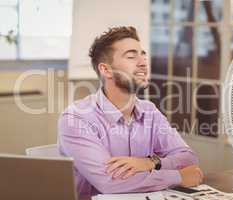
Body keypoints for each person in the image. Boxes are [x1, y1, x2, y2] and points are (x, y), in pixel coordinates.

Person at [58, 26, 203, 198]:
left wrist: (150, 163)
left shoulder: (149, 111)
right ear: (106, 70)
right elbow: (110, 182)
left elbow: (188, 158)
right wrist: (179, 176)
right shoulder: (77, 118)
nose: (143, 62)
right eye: (131, 56)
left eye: (143, 55)